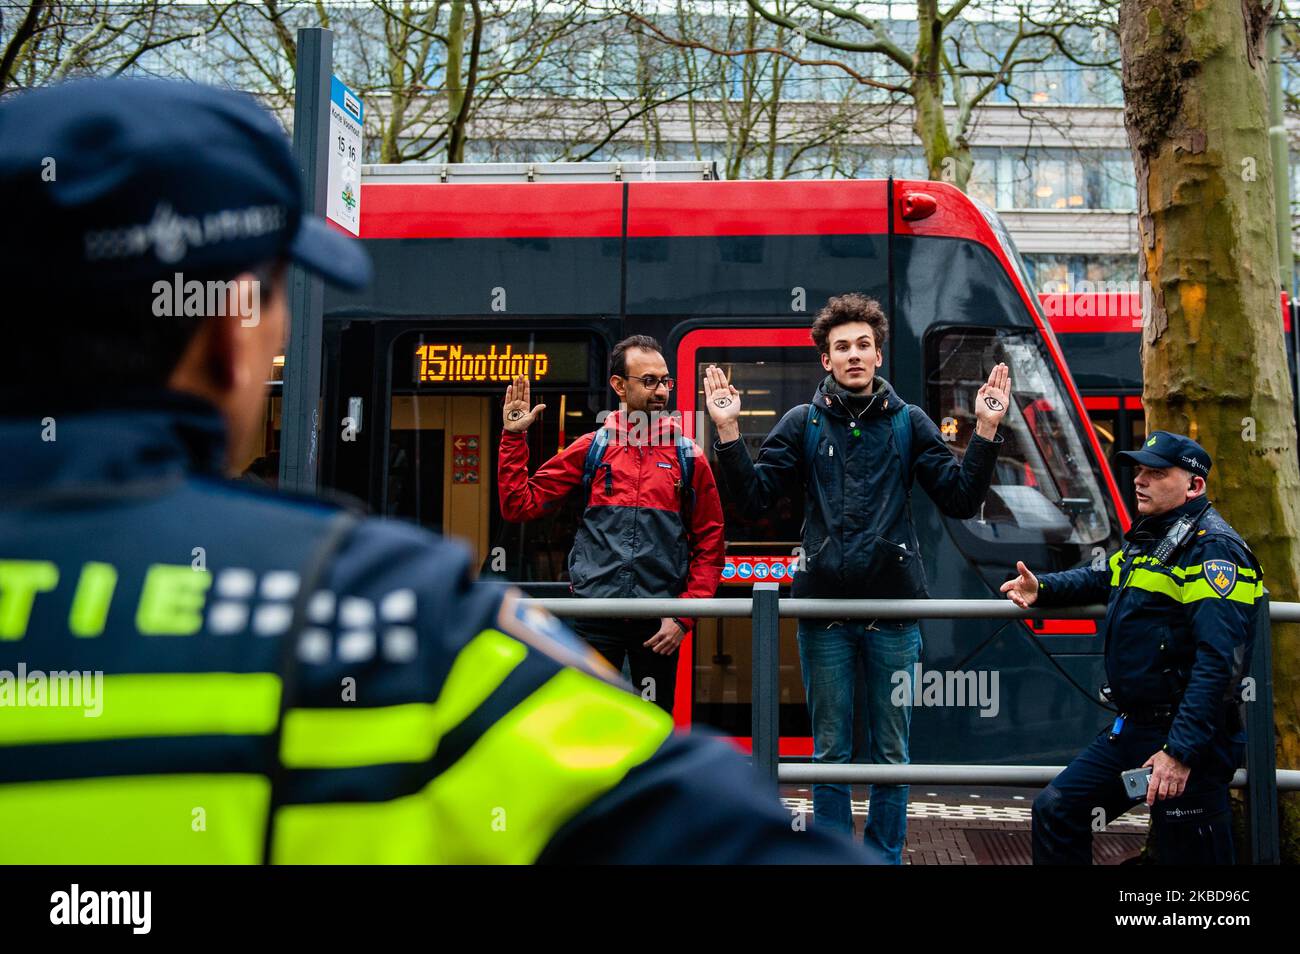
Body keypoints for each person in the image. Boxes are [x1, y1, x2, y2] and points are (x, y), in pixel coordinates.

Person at [0, 78, 870, 865]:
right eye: (274, 300)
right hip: (602, 625)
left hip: (655, 621)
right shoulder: (385, 617)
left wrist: (686, 604)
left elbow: (709, 534)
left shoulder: (679, 454)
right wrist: (515, 440)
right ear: (230, 337)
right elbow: (693, 830)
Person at [704, 293, 1011, 863]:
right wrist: (727, 431)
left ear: (878, 355)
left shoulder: (909, 423)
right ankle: (831, 858)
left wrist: (987, 429)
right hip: (824, 618)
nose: (853, 355)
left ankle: (885, 858)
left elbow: (961, 498)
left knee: (891, 755)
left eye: (863, 345)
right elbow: (752, 500)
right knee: (831, 754)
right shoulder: (802, 423)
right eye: (841, 346)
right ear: (825, 359)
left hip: (893, 617)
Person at [1001, 431, 1261, 865]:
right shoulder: (1154, 538)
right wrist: (1042, 587)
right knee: (1058, 809)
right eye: (1139, 470)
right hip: (1136, 730)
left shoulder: (1213, 549)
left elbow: (1219, 664)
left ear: (1194, 486)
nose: (1139, 480)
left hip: (1188, 738)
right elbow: (1104, 578)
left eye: (1156, 473)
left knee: (1195, 861)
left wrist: (1180, 753)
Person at [497, 336, 725, 715]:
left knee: (653, 732)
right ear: (620, 386)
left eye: (665, 381)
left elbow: (711, 544)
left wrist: (683, 617)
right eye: (648, 381)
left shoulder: (689, 456)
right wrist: (514, 437)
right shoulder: (593, 448)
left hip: (658, 623)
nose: (660, 391)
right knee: (589, 726)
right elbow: (519, 505)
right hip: (593, 618)